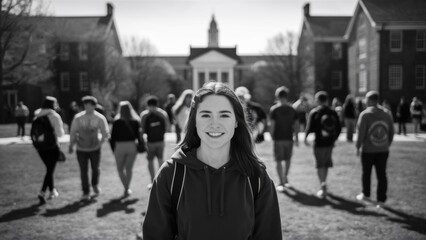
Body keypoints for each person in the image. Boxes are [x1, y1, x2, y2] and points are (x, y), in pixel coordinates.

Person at [143, 82, 282, 240]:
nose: (214, 124)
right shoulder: (171, 174)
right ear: (194, 121)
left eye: (224, 115)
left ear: (236, 121)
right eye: (206, 115)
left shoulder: (256, 177)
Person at [355, 91, 394, 208]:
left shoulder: (365, 115)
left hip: (368, 150)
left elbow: (361, 133)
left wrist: (358, 147)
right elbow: (391, 132)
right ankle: (381, 200)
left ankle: (366, 194)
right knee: (382, 174)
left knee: (366, 173)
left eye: (366, 100)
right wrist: (387, 144)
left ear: (370, 100)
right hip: (383, 149)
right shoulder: (387, 114)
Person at [68, 96, 109, 201]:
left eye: (89, 104)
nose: (86, 106)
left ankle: (95, 184)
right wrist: (71, 145)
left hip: (95, 149)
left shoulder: (100, 118)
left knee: (95, 169)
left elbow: (105, 133)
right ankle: (86, 191)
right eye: (85, 104)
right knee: (83, 171)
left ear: (94, 106)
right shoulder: (78, 117)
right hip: (81, 149)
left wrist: (99, 144)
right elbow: (73, 132)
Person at [304, 91, 342, 198]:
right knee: (326, 163)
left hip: (319, 143)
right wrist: (334, 139)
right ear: (326, 99)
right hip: (329, 142)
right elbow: (338, 128)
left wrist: (306, 138)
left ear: (318, 100)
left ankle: (322, 185)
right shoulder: (333, 112)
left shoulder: (315, 112)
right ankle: (324, 182)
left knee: (320, 164)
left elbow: (309, 127)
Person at [33, 96, 65, 204]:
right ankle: (42, 192)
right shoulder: (54, 116)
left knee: (49, 169)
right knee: (50, 170)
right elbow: (60, 134)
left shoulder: (37, 116)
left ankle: (52, 191)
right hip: (52, 146)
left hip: (40, 147)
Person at [269, 86, 299, 192]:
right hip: (289, 138)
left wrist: (272, 136)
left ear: (277, 96)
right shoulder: (292, 109)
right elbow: (296, 125)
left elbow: (272, 125)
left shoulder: (274, 109)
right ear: (286, 96)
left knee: (278, 160)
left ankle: (281, 181)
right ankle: (285, 178)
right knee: (287, 159)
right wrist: (297, 138)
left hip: (278, 138)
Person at [110, 101, 142, 197]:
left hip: (120, 146)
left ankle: (126, 188)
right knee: (129, 169)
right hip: (132, 146)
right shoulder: (135, 121)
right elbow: (138, 136)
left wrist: (113, 149)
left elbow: (112, 137)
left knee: (120, 169)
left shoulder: (116, 122)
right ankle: (127, 188)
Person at [140, 96, 170, 189]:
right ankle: (152, 181)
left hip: (160, 141)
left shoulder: (161, 114)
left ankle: (160, 181)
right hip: (150, 143)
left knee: (161, 160)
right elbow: (142, 129)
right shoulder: (145, 115)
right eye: (150, 106)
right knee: (150, 161)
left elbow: (167, 127)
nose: (151, 108)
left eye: (152, 106)